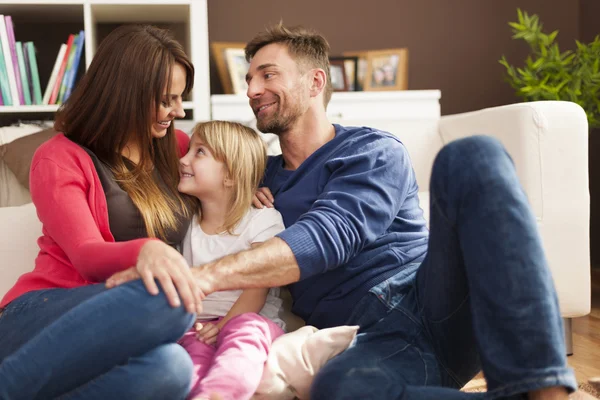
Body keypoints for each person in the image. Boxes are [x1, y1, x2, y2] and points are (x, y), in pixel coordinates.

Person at [109, 23, 577, 399]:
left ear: (316, 81)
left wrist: (202, 276)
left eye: (267, 74)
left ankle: (545, 388)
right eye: (248, 78)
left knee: (471, 156)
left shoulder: (371, 151)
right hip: (370, 338)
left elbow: (329, 235)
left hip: (432, 298)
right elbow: (179, 167)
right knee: (340, 387)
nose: (252, 88)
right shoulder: (254, 179)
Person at [0, 25, 203, 399]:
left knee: (172, 368)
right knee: (167, 297)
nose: (179, 110)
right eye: (166, 99)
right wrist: (147, 249)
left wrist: (258, 186)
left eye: (180, 97)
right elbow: (86, 255)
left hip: (113, 322)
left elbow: (230, 170)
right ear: (126, 95)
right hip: (38, 314)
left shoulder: (175, 146)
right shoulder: (59, 158)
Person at [177, 121, 285, 400]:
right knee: (193, 352)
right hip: (199, 324)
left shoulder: (262, 219)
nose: (183, 159)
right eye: (189, 149)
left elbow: (257, 289)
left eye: (199, 152)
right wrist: (207, 329)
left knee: (244, 337)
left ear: (231, 176)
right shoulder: (183, 223)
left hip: (251, 316)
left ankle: (222, 394)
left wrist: (222, 326)